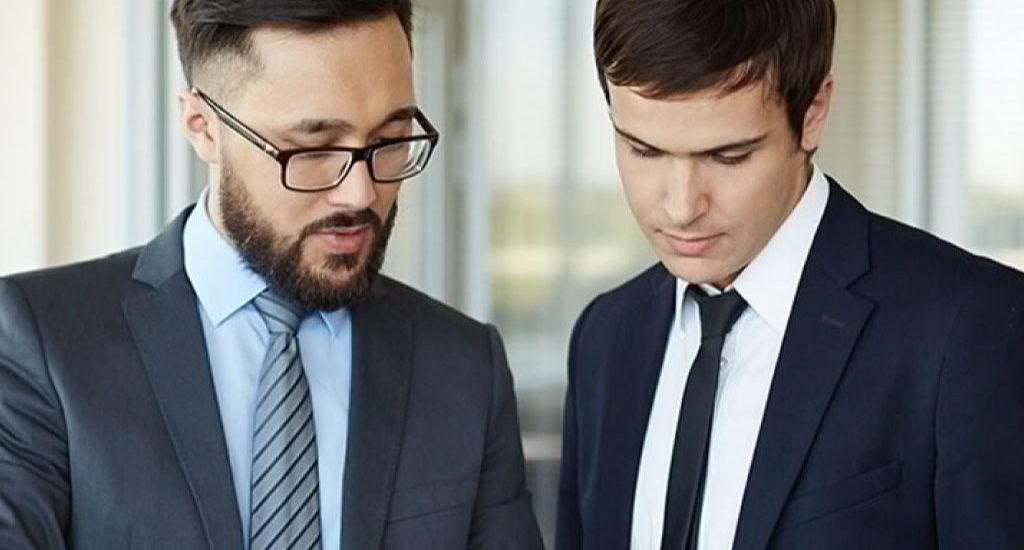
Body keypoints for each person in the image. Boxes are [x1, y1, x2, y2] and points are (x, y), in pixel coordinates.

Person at [0, 1, 543, 548]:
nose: (360, 194)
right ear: (203, 128)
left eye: (389, 140)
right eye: (312, 149)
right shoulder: (41, 346)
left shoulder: (465, 368)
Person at [556, 1, 1024, 548]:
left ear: (814, 111)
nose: (680, 207)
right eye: (644, 150)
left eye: (728, 156)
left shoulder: (970, 329)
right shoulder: (604, 337)